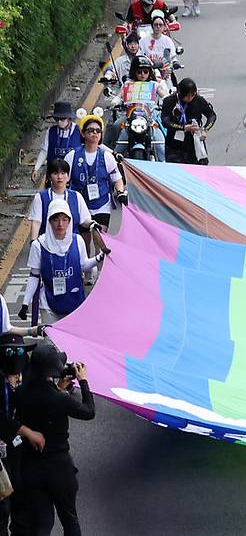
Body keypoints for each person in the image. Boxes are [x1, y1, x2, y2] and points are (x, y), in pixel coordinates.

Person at [12, 344, 95, 535]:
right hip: (59, 467)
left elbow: (39, 403)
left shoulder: (21, 394)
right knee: (69, 519)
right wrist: (83, 382)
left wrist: (57, 387)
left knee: (42, 522)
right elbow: (88, 412)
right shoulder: (60, 400)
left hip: (31, 467)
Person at [18, 198, 107, 325]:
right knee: (52, 343)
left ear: (69, 221)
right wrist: (25, 303)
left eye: (64, 219)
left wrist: (99, 258)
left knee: (73, 342)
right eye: (56, 219)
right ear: (49, 221)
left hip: (75, 302)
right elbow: (34, 276)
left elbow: (83, 265)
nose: (60, 224)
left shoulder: (78, 241)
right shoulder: (38, 245)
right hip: (49, 304)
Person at [0, 333, 47, 536]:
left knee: (22, 495)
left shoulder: (26, 377)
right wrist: (26, 431)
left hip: (17, 448)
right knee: (2, 506)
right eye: (10, 353)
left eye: (20, 352)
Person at [65, 114, 127, 231]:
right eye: (90, 130)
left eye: (98, 131)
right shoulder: (71, 157)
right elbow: (63, 180)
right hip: (80, 205)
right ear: (83, 134)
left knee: (101, 235)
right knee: (84, 240)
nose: (95, 133)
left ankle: (100, 250)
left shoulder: (107, 157)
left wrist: (120, 192)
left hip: (102, 204)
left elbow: (117, 179)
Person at [28, 159, 92, 242]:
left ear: (68, 176)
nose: (59, 177)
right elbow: (36, 222)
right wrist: (33, 242)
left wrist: (93, 224)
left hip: (71, 244)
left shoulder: (76, 196)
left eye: (63, 173)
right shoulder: (40, 197)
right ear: (49, 177)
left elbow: (85, 220)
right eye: (55, 173)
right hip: (47, 244)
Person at [160, 78, 217, 165]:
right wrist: (183, 127)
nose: (190, 98)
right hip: (175, 143)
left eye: (192, 95)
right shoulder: (170, 101)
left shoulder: (198, 100)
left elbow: (211, 115)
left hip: (194, 142)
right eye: (187, 96)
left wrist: (205, 129)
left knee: (199, 169)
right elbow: (165, 121)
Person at [32, 102, 82, 185]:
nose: (59, 122)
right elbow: (44, 151)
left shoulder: (79, 131)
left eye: (62, 119)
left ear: (69, 118)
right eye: (56, 119)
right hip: (53, 176)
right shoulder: (51, 131)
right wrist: (36, 168)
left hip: (73, 177)